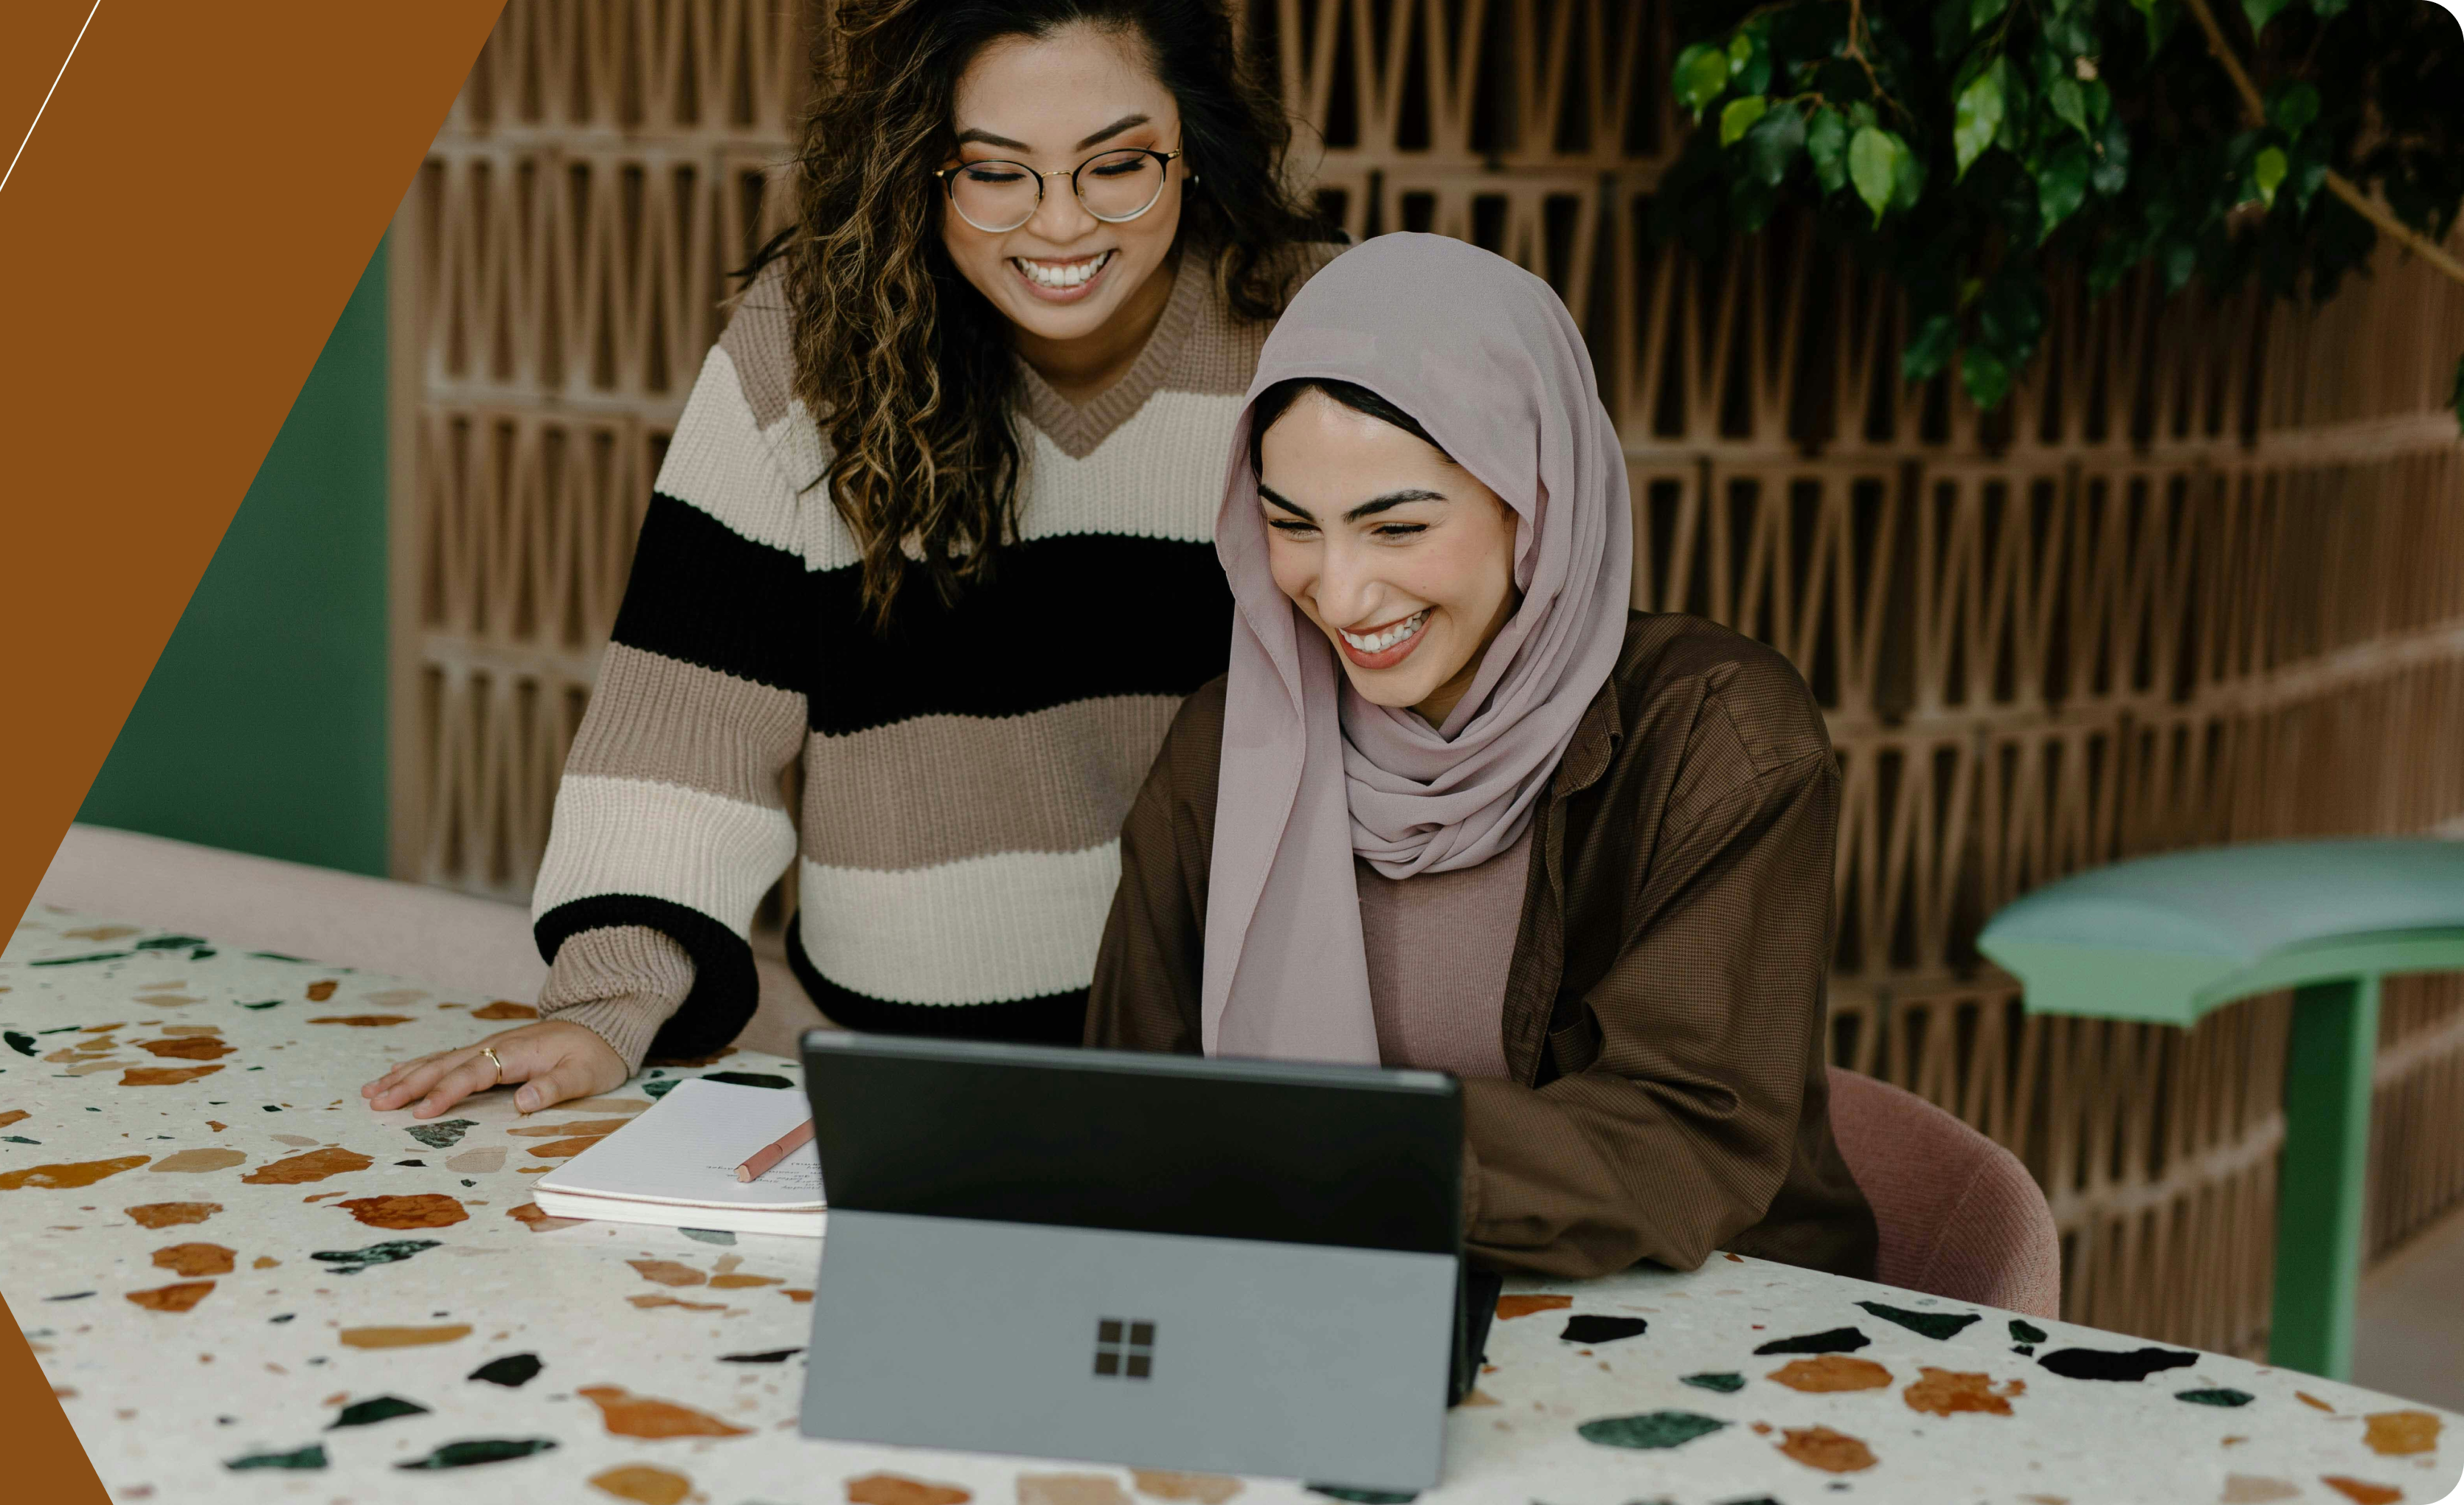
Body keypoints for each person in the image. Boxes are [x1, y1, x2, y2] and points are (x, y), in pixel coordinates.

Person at [364, 0, 1335, 1121]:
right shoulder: (807, 343)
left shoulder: (1306, 324)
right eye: (995, 172)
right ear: (915, 167)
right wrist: (606, 1003)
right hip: (901, 1066)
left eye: (1116, 166)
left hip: (1240, 1054)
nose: (1060, 225)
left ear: (1193, 147)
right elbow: (690, 716)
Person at [1084, 234, 1878, 1279]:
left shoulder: (1715, 738)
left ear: (1533, 498)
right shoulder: (1229, 748)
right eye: (1293, 526)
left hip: (1696, 1330)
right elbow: (1127, 1098)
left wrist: (1332, 1155)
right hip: (1324, 1306)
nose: (1342, 592)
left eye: (1397, 529)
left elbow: (1684, 1136)